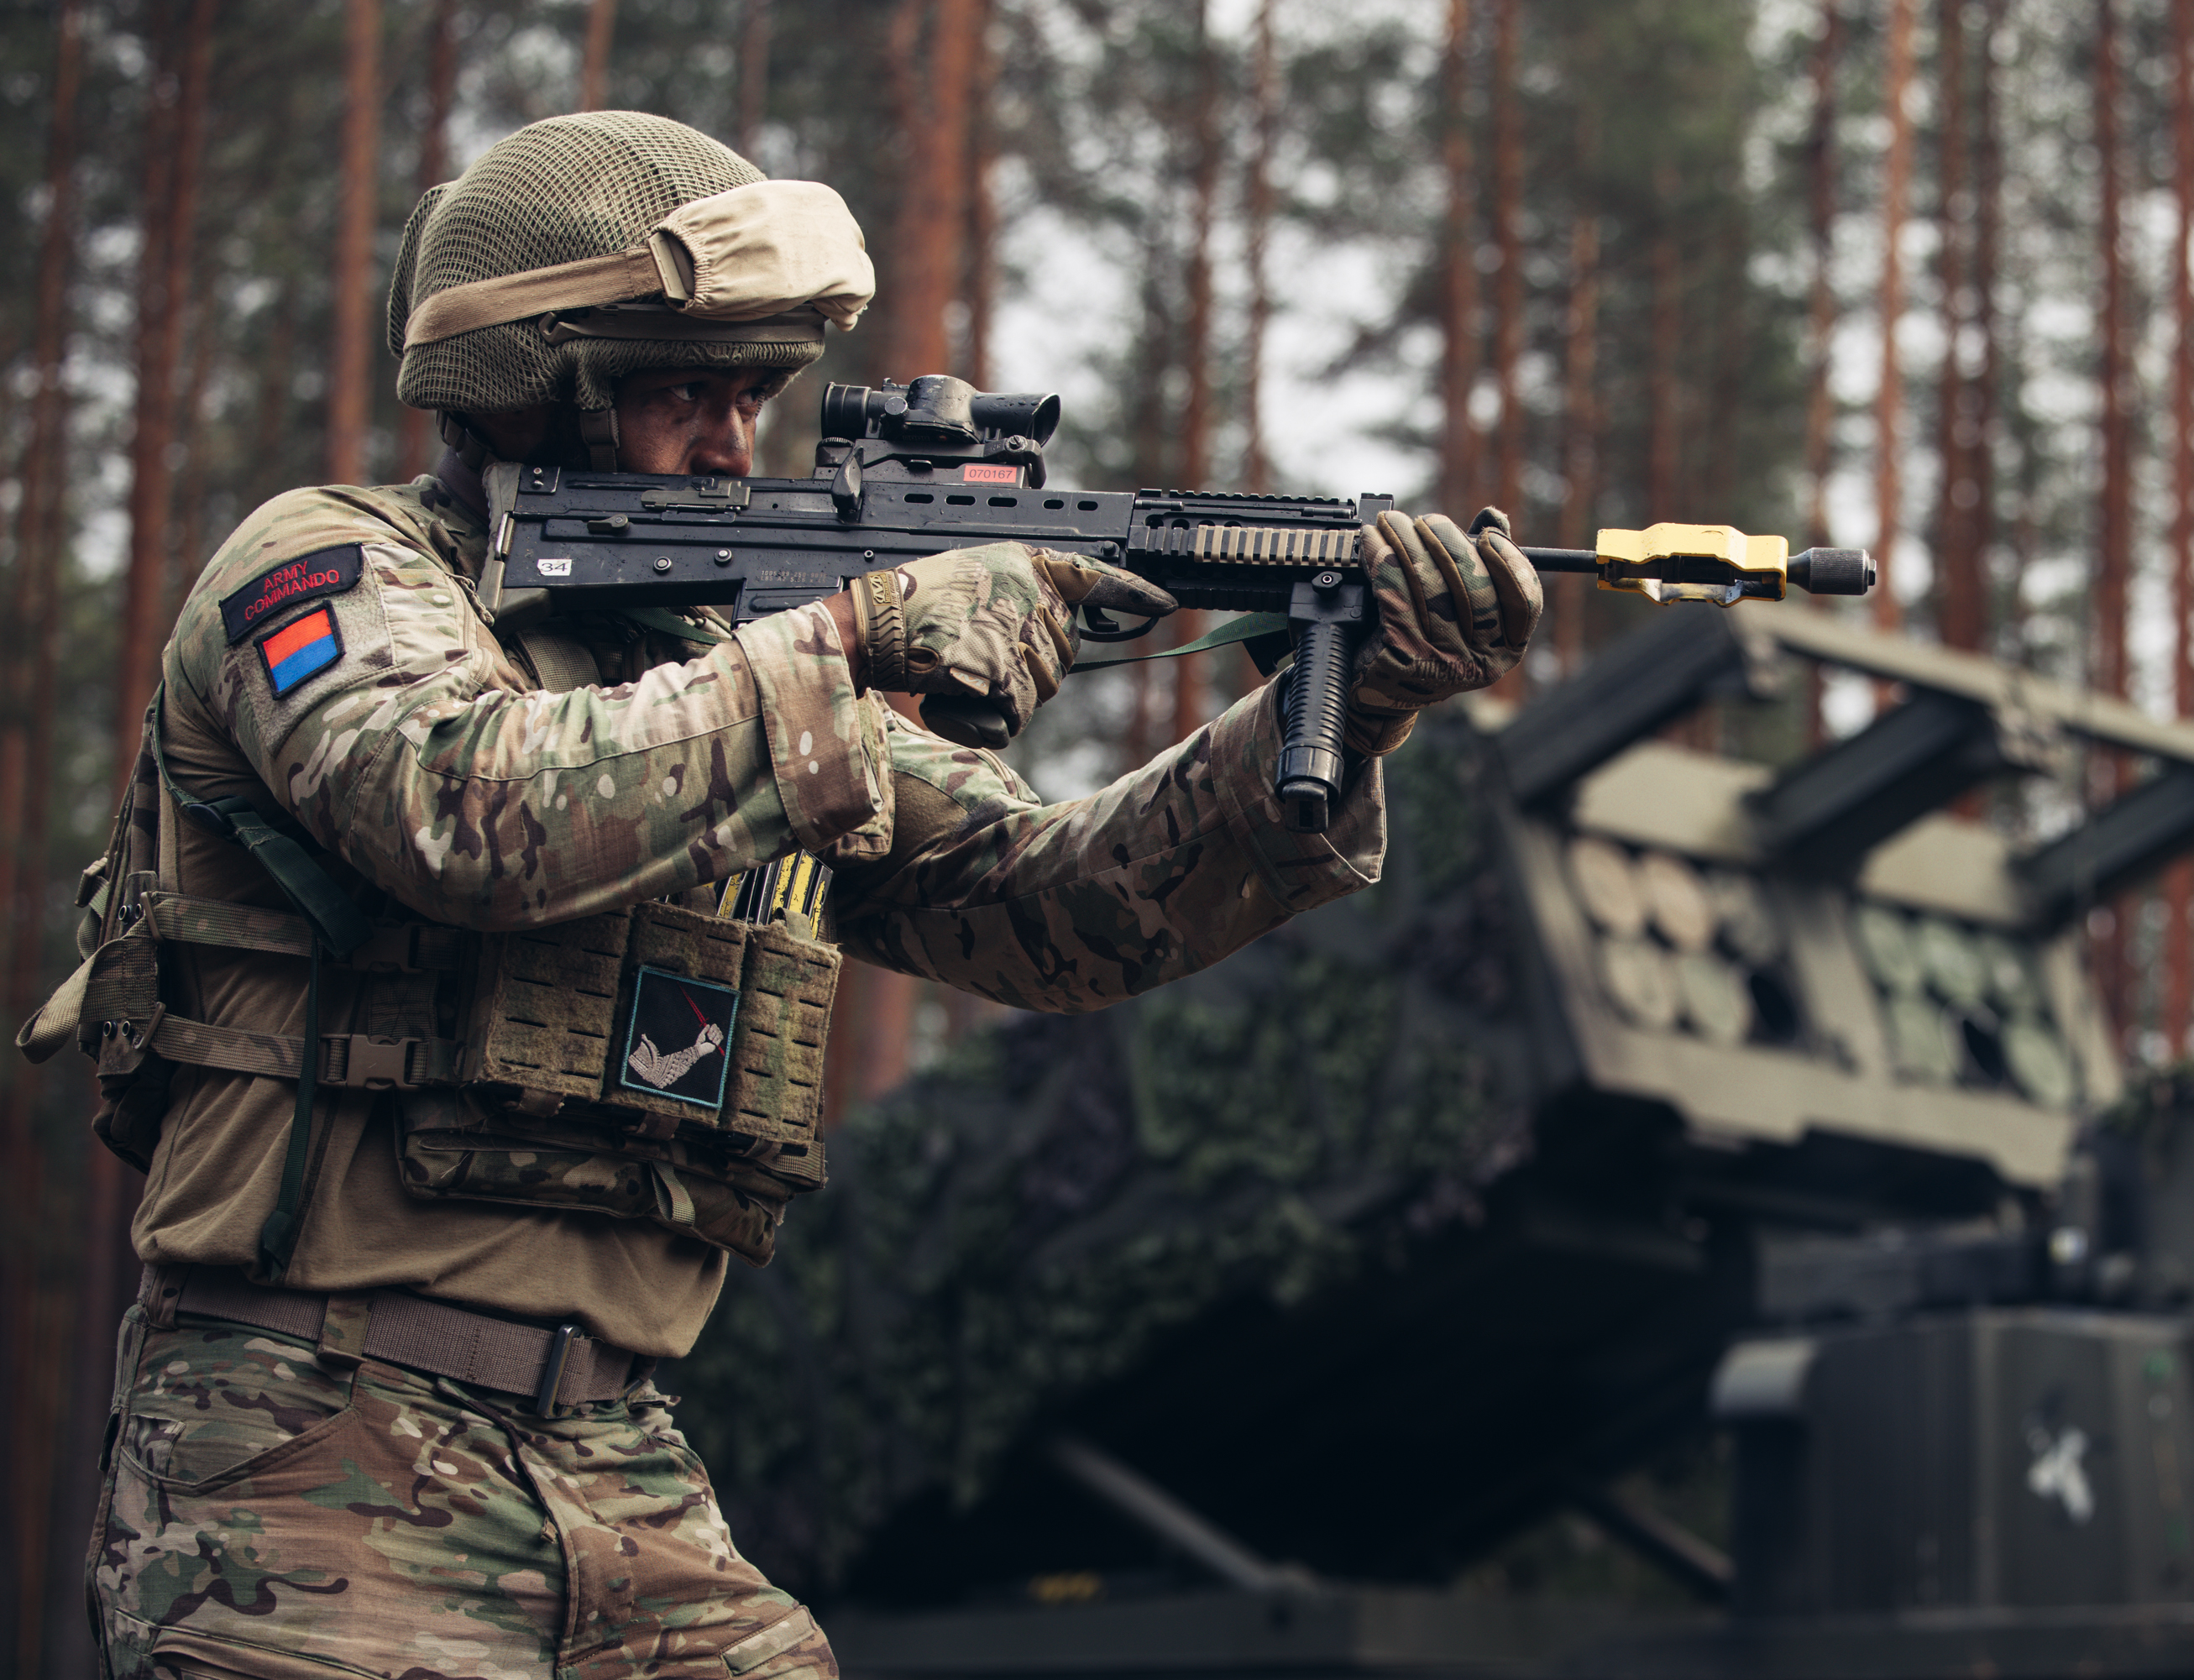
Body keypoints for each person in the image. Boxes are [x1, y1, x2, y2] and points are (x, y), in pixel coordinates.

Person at [20, 112, 1540, 1680]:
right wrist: (855, 639)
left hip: (620, 1458)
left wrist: (1348, 709)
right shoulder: (328, 567)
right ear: (533, 383)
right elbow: (460, 808)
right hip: (305, 1445)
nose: (735, 446)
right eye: (685, 395)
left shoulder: (722, 669)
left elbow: (1049, 903)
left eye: (753, 397)